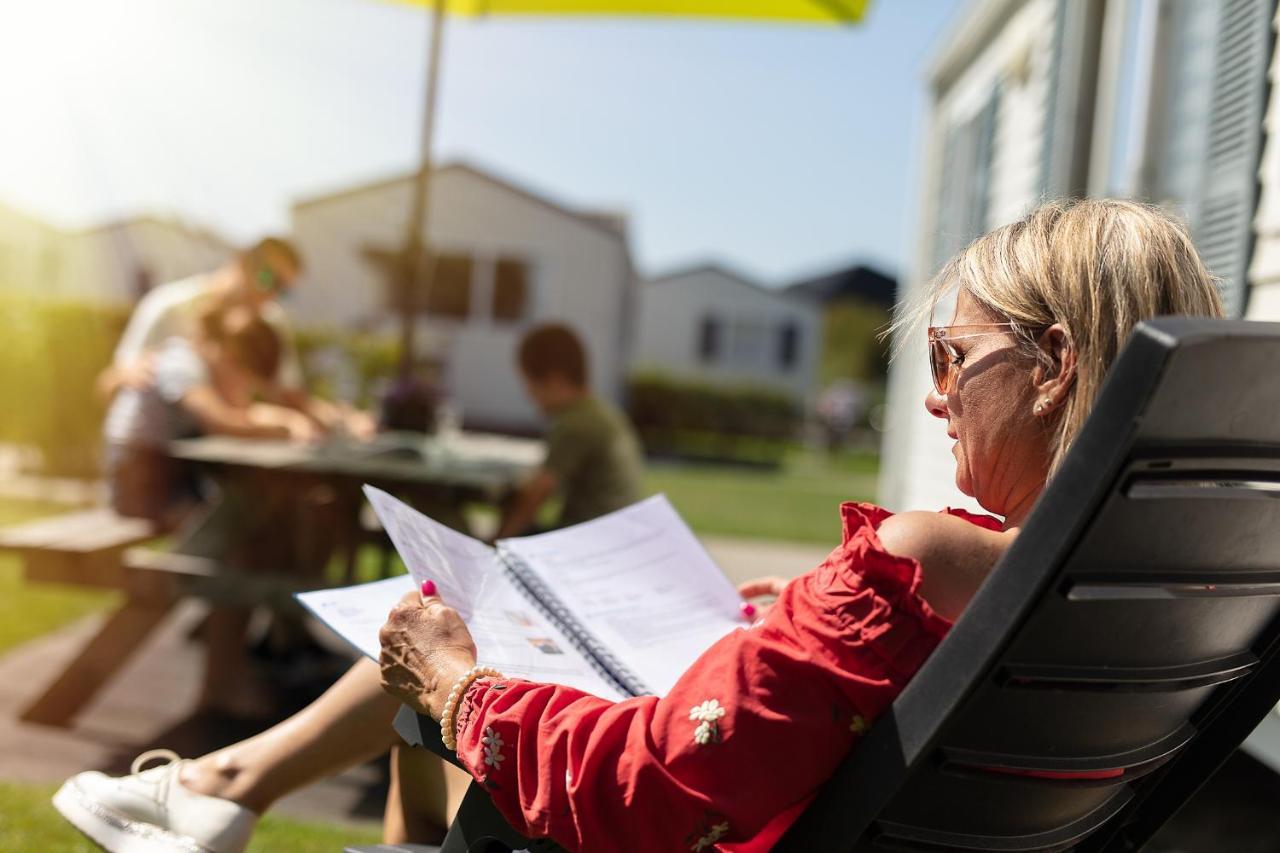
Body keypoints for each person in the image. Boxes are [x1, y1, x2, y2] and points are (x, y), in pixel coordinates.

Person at [374, 199, 1227, 852]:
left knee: (429, 693)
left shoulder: (923, 568)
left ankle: (244, 775)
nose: (936, 396)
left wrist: (458, 690)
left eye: (951, 356)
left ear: (1055, 366)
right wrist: (840, 627)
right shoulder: (1179, 598)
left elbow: (656, 785)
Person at [53, 322, 648, 852]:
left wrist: (503, 543)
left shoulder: (577, 421)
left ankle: (221, 786)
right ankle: (226, 782)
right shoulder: (600, 415)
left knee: (453, 633)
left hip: (590, 573)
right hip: (606, 576)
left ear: (545, 378)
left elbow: (539, 489)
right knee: (433, 669)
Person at [104, 303, 319, 529]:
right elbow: (224, 422)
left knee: (250, 505)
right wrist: (286, 426)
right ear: (228, 356)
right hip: (136, 479)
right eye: (242, 381)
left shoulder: (201, 367)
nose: (241, 391)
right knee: (241, 514)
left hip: (166, 471)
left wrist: (286, 420)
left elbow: (242, 414)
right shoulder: (182, 365)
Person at [494, 323, 646, 539]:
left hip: (592, 539)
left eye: (530, 385)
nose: (529, 396)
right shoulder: (599, 411)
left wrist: (495, 543)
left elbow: (535, 497)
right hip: (617, 532)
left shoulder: (575, 424)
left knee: (512, 513)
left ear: (555, 380)